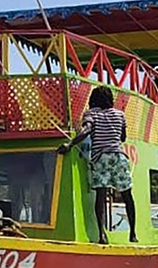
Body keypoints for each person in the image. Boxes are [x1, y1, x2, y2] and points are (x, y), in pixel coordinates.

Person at [57, 86, 137, 244]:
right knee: (127, 195)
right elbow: (122, 137)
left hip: (100, 157)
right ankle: (133, 233)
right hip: (119, 157)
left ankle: (102, 234)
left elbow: (86, 130)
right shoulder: (120, 115)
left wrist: (70, 144)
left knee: (100, 195)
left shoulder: (91, 114)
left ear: (93, 100)